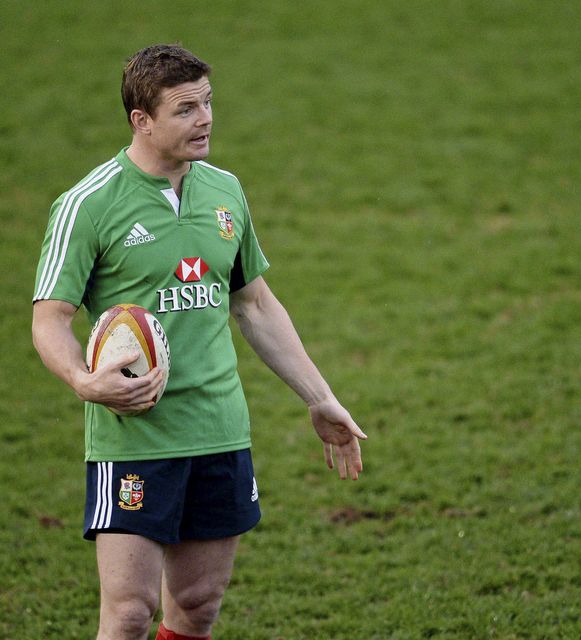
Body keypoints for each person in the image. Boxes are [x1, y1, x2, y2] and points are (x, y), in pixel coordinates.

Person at [32, 44, 367, 640]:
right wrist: (84, 381)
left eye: (208, 102)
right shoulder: (88, 204)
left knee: (197, 606)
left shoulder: (225, 192)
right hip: (134, 438)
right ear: (143, 120)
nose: (206, 118)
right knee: (130, 612)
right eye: (186, 109)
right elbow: (50, 318)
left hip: (218, 429)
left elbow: (255, 304)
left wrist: (319, 397)